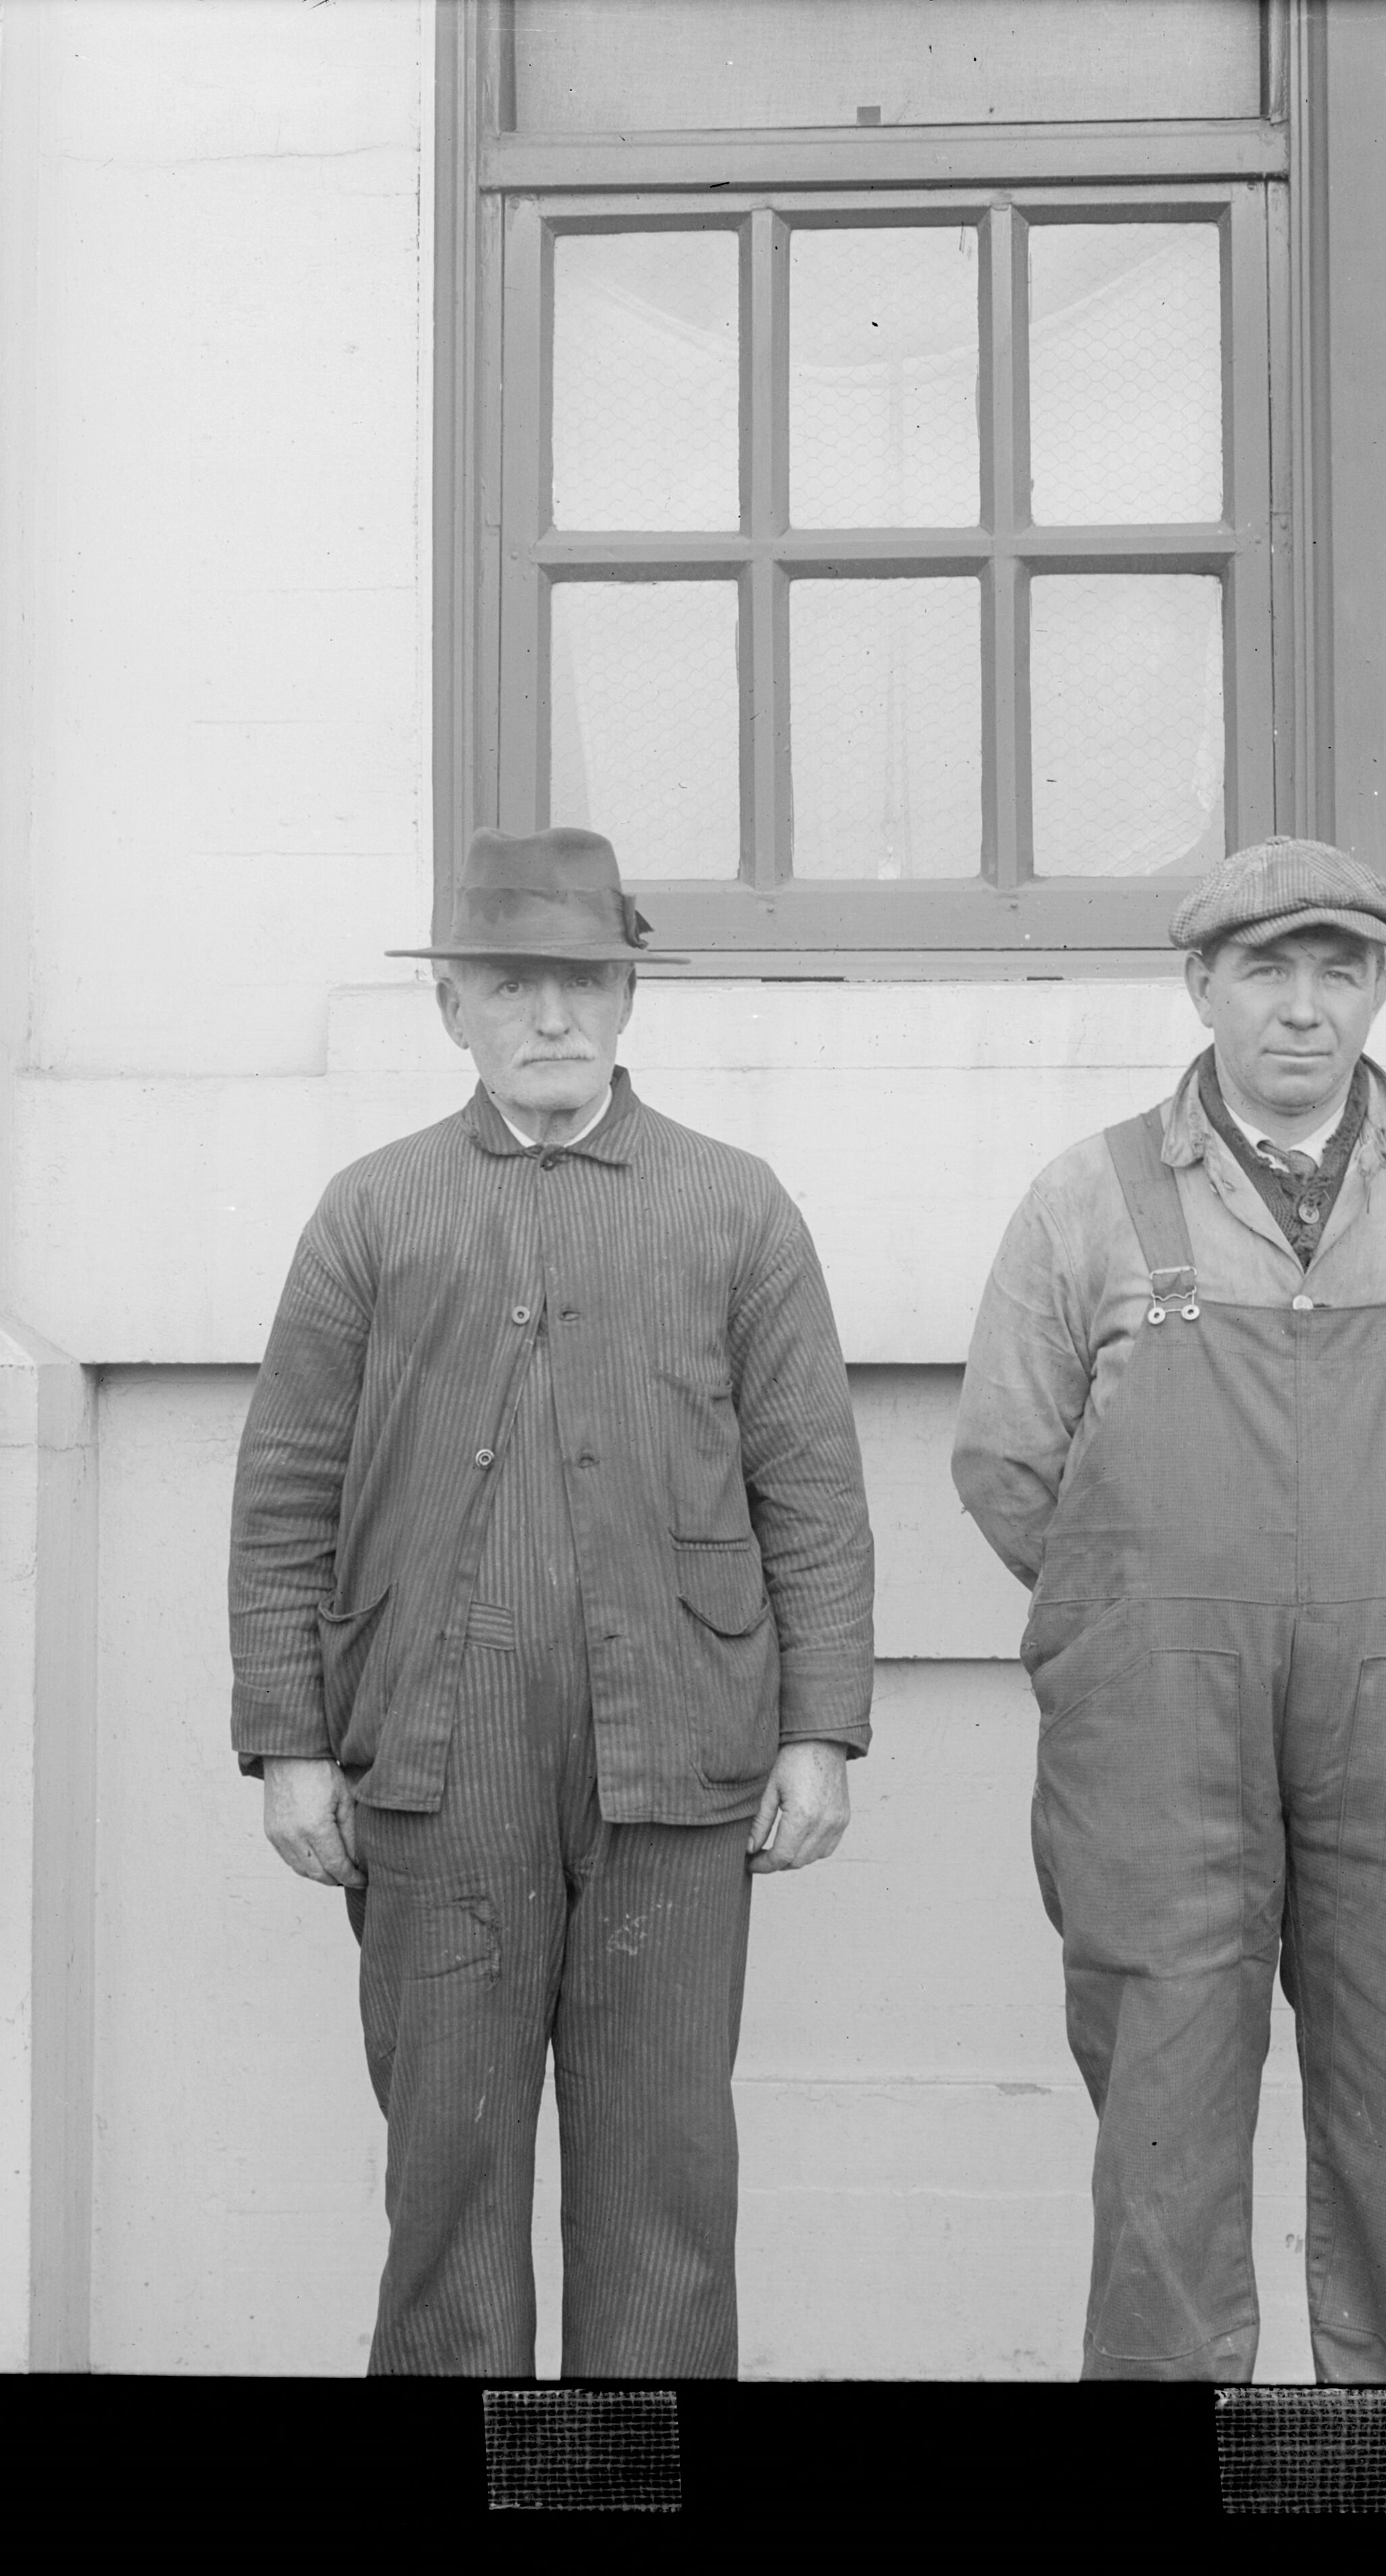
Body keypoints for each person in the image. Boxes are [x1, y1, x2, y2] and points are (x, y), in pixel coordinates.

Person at [230, 825, 876, 2378]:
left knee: (664, 2184)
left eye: (581, 982)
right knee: (446, 2183)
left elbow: (810, 1487)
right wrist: (290, 1743)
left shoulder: (733, 1209)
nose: (549, 1019)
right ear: (450, 1004)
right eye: (509, 985)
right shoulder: (372, 1214)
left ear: (628, 993)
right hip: (433, 1761)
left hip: (680, 1761)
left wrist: (819, 1733)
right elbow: (284, 1496)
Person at [950, 835, 1386, 2384]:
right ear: (1200, 986)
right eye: (1264, 971)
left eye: (1338, 971)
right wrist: (1131, 1617)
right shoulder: (1085, 1199)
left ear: (1375, 992)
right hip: (1158, 1727)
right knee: (1160, 2113)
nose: (1302, 1009)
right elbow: (1005, 1457)